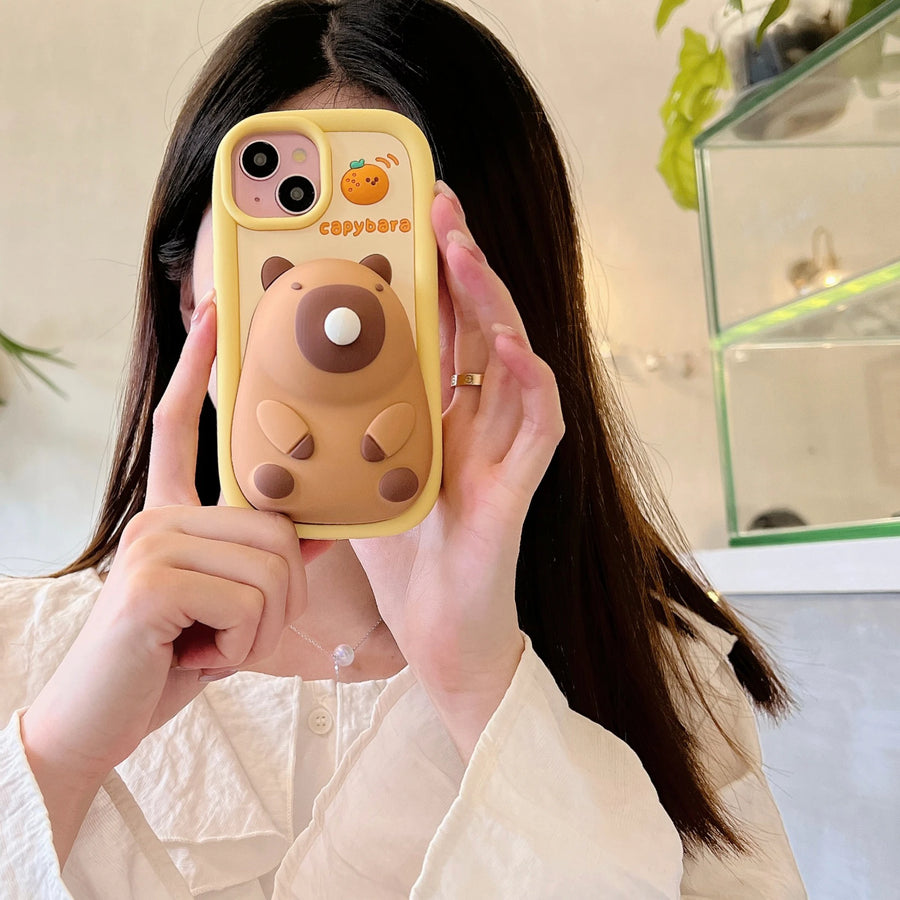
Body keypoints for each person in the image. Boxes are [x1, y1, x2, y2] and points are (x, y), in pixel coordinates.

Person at [0, 1, 806, 896]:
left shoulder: (664, 680)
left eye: (398, 268)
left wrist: (481, 690)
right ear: (193, 301)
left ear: (509, 310)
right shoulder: (24, 651)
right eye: (284, 262)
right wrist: (59, 757)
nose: (340, 320)